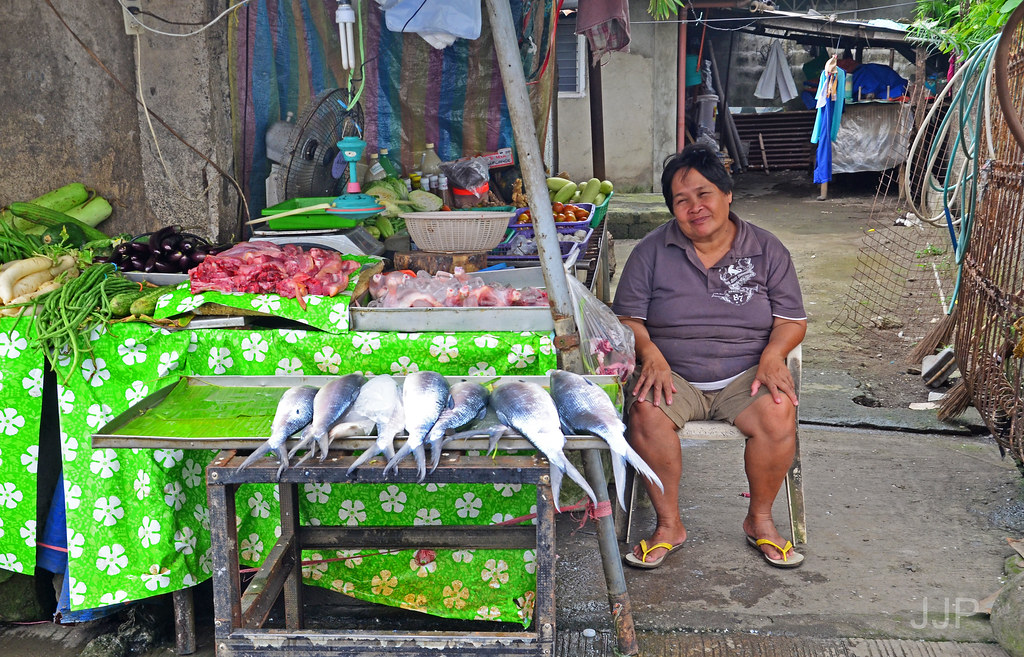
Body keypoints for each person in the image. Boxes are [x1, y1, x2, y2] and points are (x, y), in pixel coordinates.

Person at [611, 143, 807, 570]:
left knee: (778, 412)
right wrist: (651, 355)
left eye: (704, 194)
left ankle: (760, 521)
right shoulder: (650, 252)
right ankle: (668, 525)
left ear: (727, 194)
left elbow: (792, 320)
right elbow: (626, 319)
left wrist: (775, 354)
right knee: (645, 412)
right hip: (674, 374)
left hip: (746, 374)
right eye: (681, 200)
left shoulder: (767, 249)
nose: (694, 207)